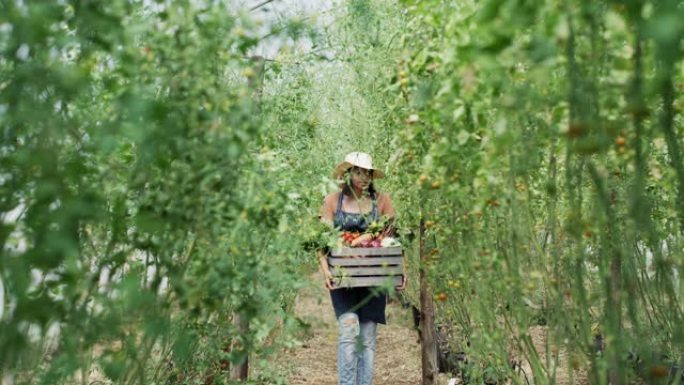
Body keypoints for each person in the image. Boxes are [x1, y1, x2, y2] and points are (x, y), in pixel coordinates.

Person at [317, 151, 406, 385]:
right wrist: (325, 269)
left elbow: (394, 239)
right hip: (343, 277)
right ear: (347, 174)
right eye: (357, 172)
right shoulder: (332, 202)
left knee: (367, 338)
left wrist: (399, 269)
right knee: (349, 335)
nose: (362, 177)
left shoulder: (382, 201)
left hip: (374, 277)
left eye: (366, 173)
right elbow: (321, 240)